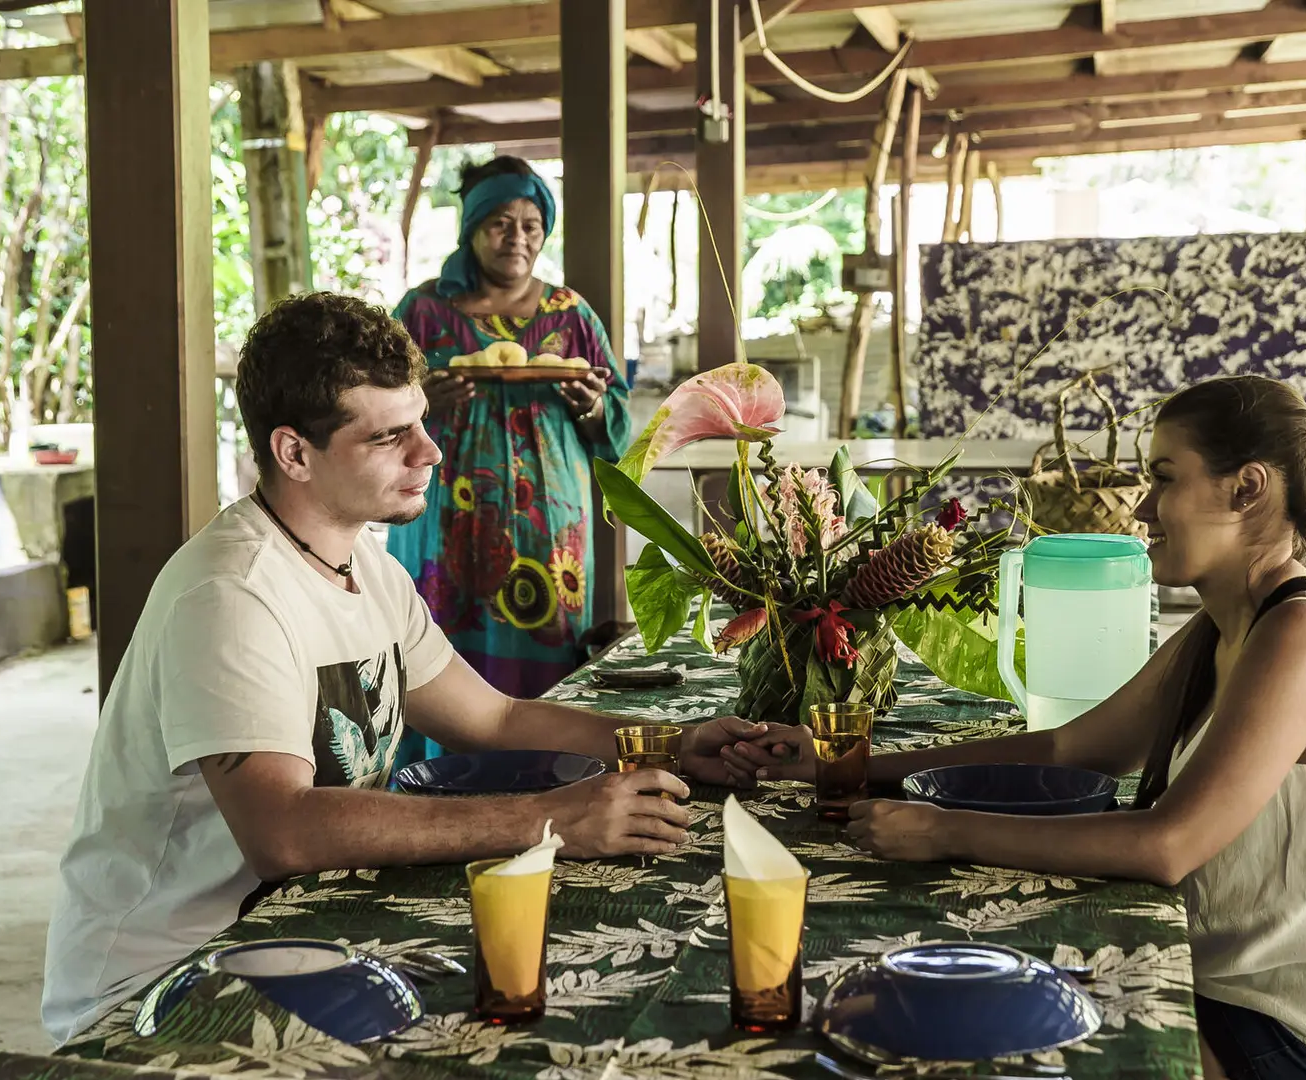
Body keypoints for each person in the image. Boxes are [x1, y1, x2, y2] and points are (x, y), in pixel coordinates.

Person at [41, 292, 772, 1044]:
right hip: (162, 980)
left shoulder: (363, 562)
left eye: (421, 422)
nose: (431, 451)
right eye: (391, 436)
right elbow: (284, 831)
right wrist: (557, 819)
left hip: (302, 932)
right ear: (294, 453)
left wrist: (670, 741)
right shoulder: (231, 595)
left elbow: (494, 717)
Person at [740, 376, 1306, 1080]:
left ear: (1247, 487)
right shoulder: (1221, 631)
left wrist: (940, 829)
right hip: (1235, 990)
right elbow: (1071, 748)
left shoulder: (1302, 641)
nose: (1141, 507)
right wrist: (847, 762)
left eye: (1164, 479)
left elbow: (1167, 845)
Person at [387, 155, 627, 768]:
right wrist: (421, 401)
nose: (516, 237)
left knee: (544, 638)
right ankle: (439, 782)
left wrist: (592, 409)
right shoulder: (423, 312)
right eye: (499, 221)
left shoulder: (571, 315)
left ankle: (554, 778)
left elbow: (619, 421)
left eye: (530, 223)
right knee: (441, 642)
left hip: (553, 530)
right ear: (470, 228)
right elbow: (371, 405)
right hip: (446, 521)